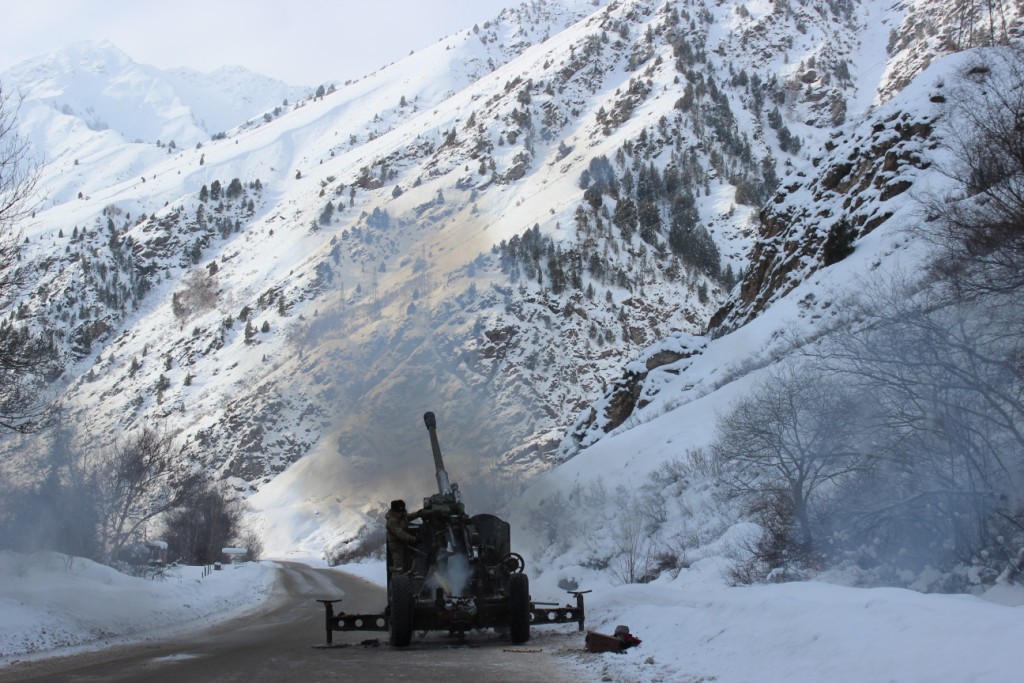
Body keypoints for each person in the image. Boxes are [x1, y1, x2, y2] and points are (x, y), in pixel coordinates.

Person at [386, 499, 420, 574]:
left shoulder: (402, 515)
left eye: (401, 511)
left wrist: (418, 513)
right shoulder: (391, 521)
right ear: (394, 511)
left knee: (408, 565)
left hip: (404, 544)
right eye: (398, 512)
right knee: (399, 568)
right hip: (396, 546)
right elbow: (400, 534)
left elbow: (409, 517)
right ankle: (397, 582)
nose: (400, 513)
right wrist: (414, 539)